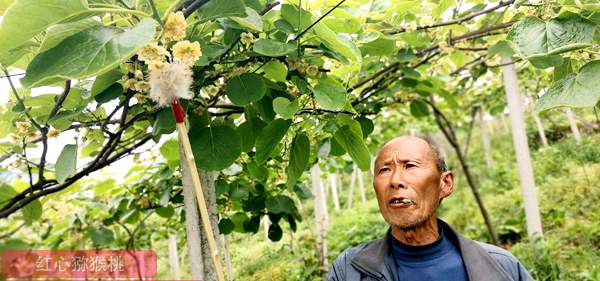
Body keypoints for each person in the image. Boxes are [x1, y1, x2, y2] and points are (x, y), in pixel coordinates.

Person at [326, 136, 534, 281]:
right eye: (384, 170)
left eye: (410, 166)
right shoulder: (349, 270)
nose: (395, 180)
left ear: (445, 184)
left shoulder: (501, 267)